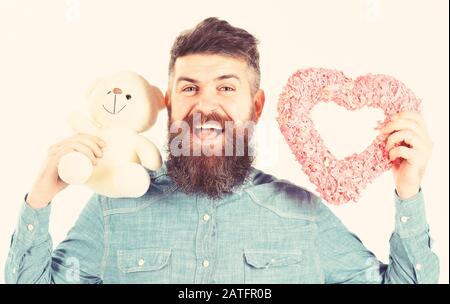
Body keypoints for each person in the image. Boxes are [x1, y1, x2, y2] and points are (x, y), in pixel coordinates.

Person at [5, 17, 439, 284]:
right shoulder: (111, 211)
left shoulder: (303, 214)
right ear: (169, 103)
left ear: (256, 105)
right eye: (189, 88)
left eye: (226, 88)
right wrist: (39, 199)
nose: (205, 105)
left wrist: (408, 191)